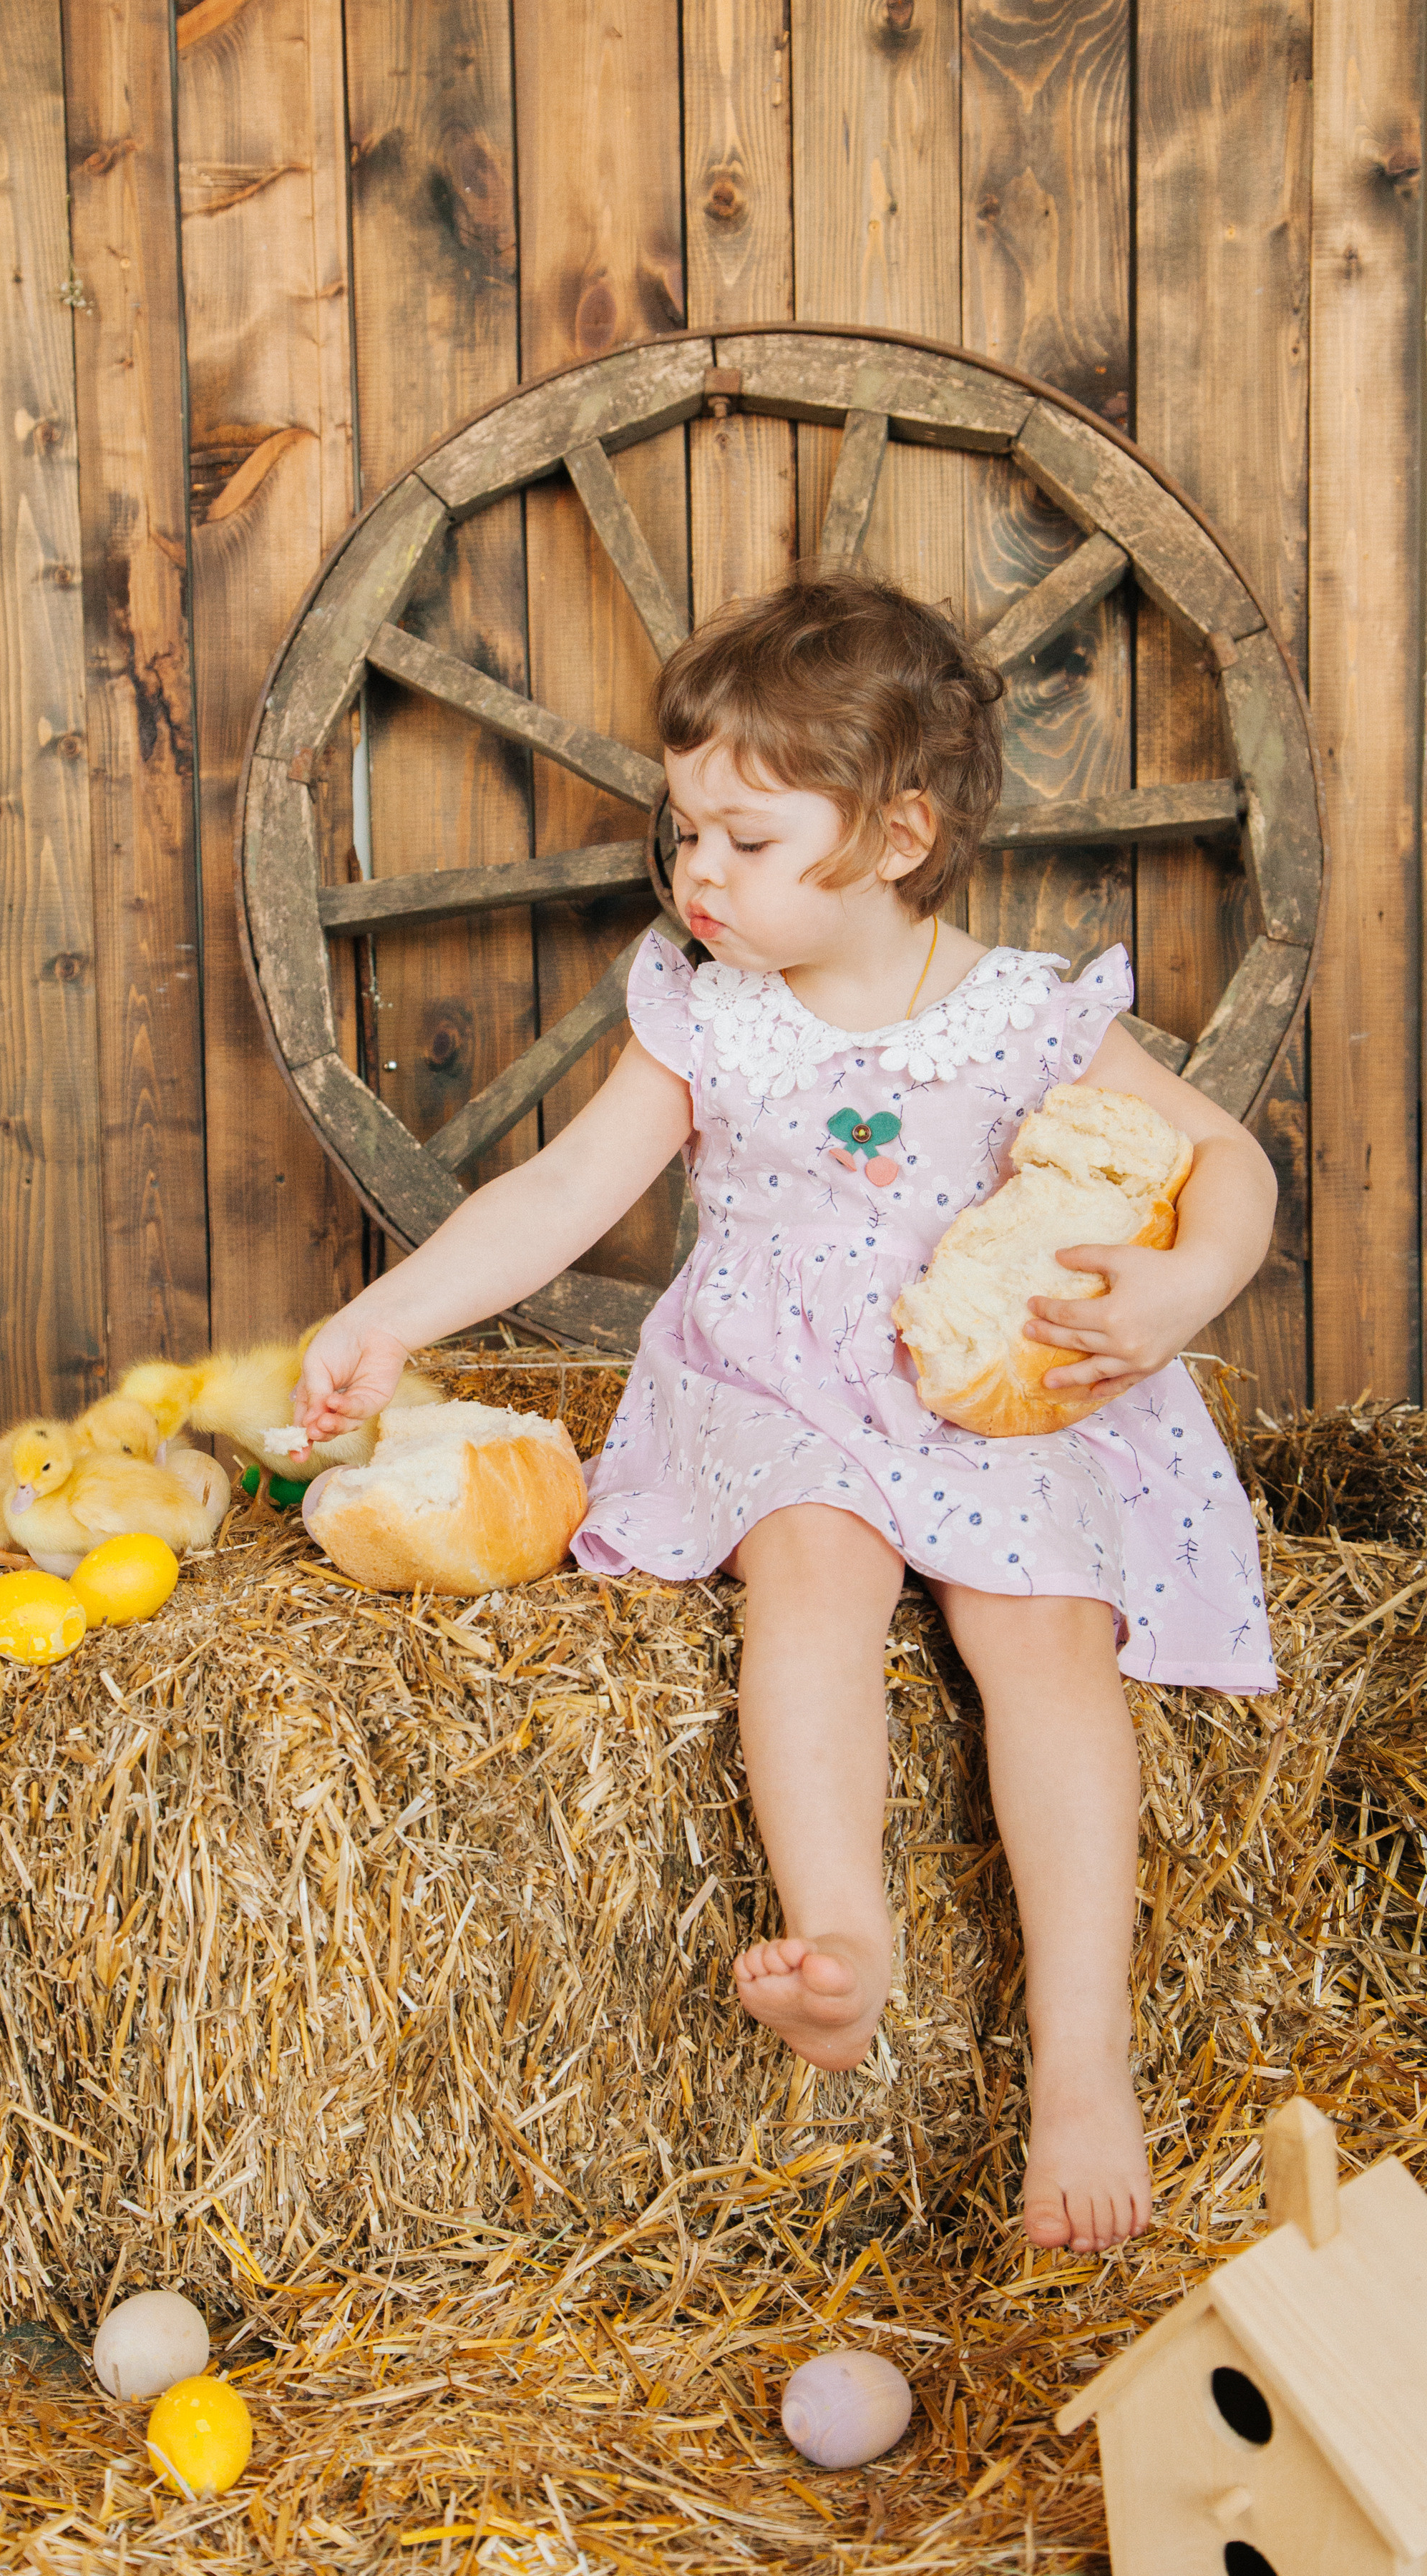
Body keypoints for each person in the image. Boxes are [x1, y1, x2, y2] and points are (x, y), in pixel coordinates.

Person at [293, 570, 1278, 2258]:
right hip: (780, 1384)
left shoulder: (1025, 1017)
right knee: (812, 1566)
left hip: (982, 1392)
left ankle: (1081, 2066)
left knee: (1042, 1626)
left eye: (746, 840)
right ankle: (844, 1948)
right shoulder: (708, 1015)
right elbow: (559, 1193)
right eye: (686, 834)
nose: (699, 876)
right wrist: (390, 1316)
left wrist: (1182, 1294)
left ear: (898, 836)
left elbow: (1231, 1164)